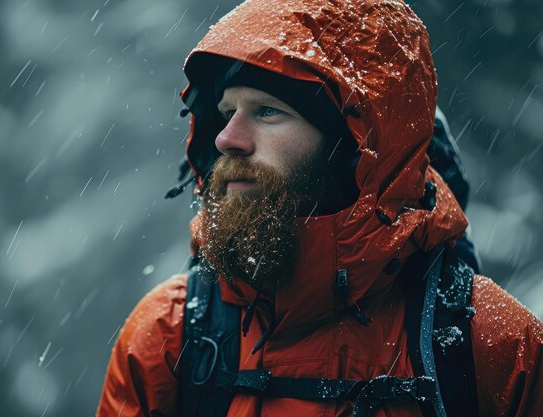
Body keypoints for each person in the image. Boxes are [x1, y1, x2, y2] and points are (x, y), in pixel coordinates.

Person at [96, 0, 543, 416]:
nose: (226, 138)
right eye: (226, 111)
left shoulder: (491, 347)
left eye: (267, 111)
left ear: (352, 148)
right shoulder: (169, 338)